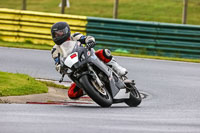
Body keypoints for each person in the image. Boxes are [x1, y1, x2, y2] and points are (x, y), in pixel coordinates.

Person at [51, 22, 127, 99]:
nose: (57, 35)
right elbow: (57, 63)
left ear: (66, 31)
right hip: (75, 68)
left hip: (87, 57)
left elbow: (86, 38)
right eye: (55, 34)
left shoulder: (74, 36)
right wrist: (60, 68)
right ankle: (90, 90)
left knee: (103, 52)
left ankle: (118, 69)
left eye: (59, 33)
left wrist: (90, 41)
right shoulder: (55, 50)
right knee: (72, 94)